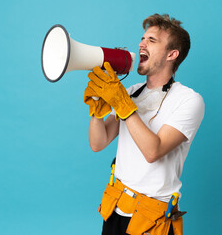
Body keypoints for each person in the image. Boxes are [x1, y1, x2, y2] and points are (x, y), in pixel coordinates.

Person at [84, 13, 205, 235]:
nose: (141, 43)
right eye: (142, 38)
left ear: (172, 54)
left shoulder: (189, 100)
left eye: (152, 40)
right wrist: (97, 110)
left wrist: (121, 103)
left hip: (151, 220)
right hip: (116, 208)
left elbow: (153, 151)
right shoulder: (131, 93)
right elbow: (97, 143)